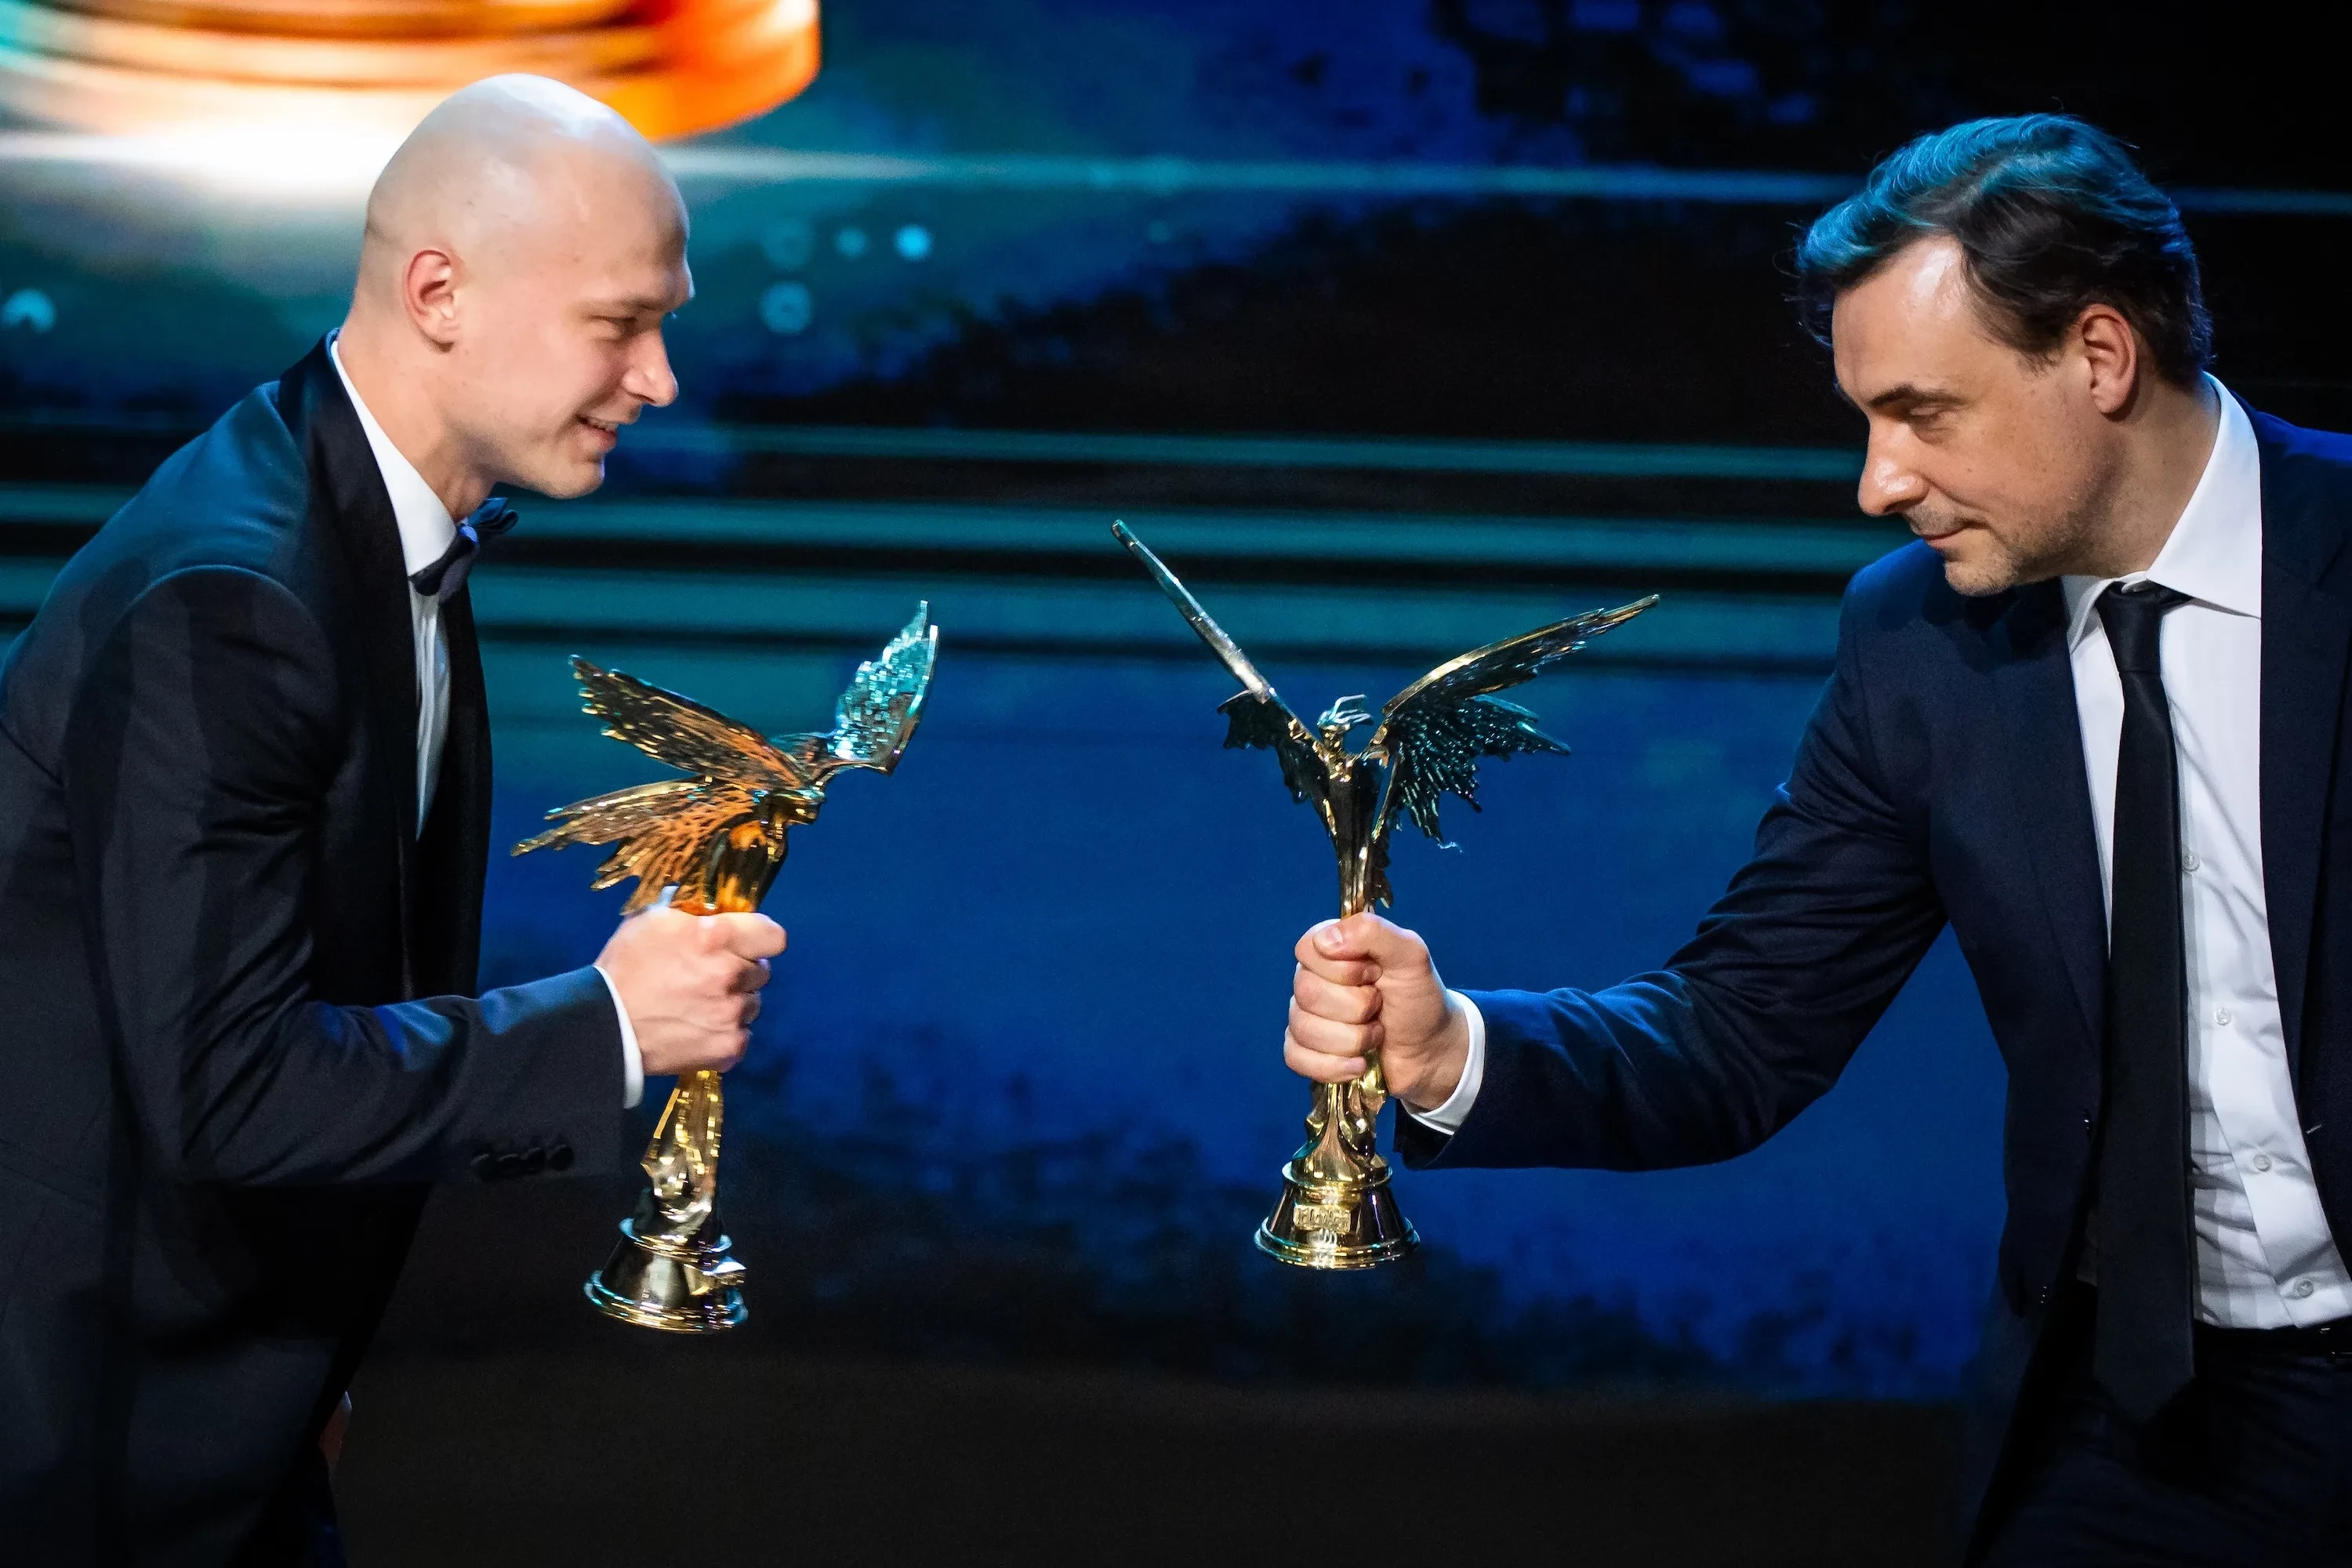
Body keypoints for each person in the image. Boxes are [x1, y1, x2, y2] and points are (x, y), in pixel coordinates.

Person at [1279, 114, 2352, 1562]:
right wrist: (1451, 1047)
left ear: (2100, 356)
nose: (1878, 483)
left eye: (1924, 413)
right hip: (2135, 1414)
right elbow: (1744, 1027)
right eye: (1865, 420)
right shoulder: (1916, 640)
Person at [0, 76, 784, 1565]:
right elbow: (227, 1087)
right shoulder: (230, 596)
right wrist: (608, 1027)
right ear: (439, 293)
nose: (661, 378)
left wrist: (306, 1380)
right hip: (84, 1456)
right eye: (618, 324)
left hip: (215, 1412)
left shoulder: (360, 523)